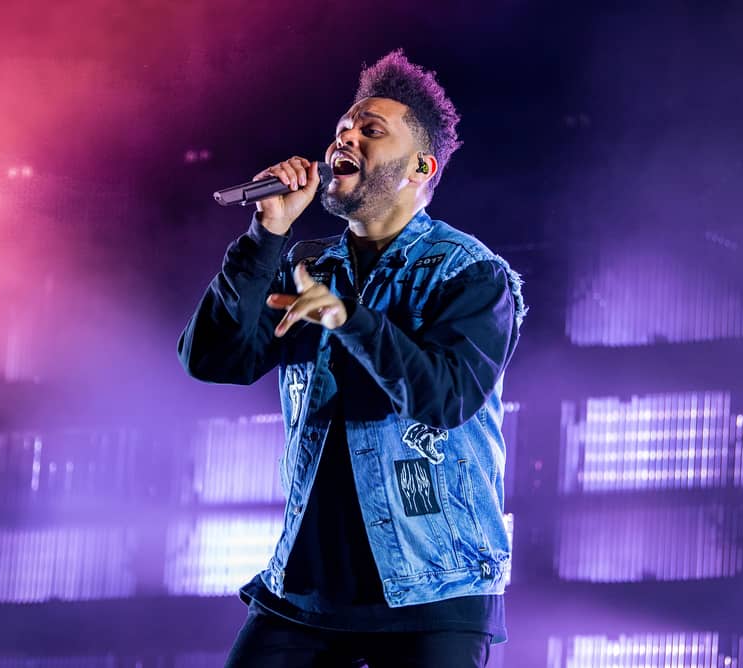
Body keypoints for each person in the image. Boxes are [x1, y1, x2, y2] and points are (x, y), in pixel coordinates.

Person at [178, 49, 526, 668]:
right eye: (343, 129)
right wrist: (266, 236)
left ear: (421, 165)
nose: (346, 137)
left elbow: (445, 397)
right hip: (304, 594)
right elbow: (213, 358)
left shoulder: (469, 273)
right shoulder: (308, 264)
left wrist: (350, 318)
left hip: (432, 590)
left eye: (371, 131)